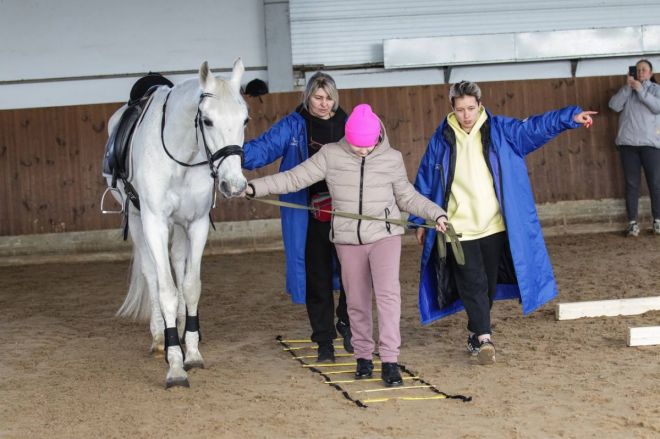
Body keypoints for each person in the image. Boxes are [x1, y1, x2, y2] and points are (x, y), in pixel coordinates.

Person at [244, 104, 448, 386]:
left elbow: (407, 197)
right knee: (356, 300)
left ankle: (389, 360)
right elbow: (294, 177)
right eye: (356, 145)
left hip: (385, 236)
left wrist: (436, 213)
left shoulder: (391, 158)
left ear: (378, 137)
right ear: (347, 137)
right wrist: (256, 187)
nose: (362, 151)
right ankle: (363, 357)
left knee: (388, 297)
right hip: (347, 239)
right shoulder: (330, 155)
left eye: (367, 145)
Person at [411, 80, 596, 365]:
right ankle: (484, 338)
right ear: (453, 109)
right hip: (457, 229)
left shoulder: (501, 131)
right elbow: (424, 179)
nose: (466, 115)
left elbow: (534, 128)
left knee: (486, 286)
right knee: (471, 282)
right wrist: (418, 220)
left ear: (480, 105)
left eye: (471, 108)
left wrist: (568, 117)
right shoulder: (441, 139)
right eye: (460, 109)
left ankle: (475, 332)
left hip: (494, 226)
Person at [242, 72, 352, 362]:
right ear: (307, 96)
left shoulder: (349, 125)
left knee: (355, 274)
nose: (323, 104)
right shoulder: (294, 125)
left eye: (329, 98)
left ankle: (347, 320)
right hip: (310, 216)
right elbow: (263, 148)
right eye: (318, 97)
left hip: (347, 215)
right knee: (317, 280)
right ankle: (324, 342)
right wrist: (230, 152)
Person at [608, 59, 660, 237]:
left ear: (651, 73)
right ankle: (632, 223)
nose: (640, 73)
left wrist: (640, 89)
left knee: (655, 183)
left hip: (650, 144)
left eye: (644, 70)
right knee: (632, 184)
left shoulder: (655, 90)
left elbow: (657, 107)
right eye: (637, 70)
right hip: (628, 145)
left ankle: (658, 221)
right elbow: (614, 106)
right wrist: (627, 87)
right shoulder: (626, 90)